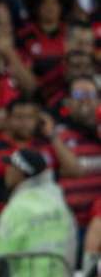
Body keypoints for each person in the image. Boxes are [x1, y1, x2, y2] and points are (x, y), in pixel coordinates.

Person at [0, 98, 81, 243]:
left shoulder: (47, 146)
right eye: (18, 117)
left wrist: (52, 134)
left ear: (38, 120)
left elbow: (74, 170)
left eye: (30, 117)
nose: (24, 122)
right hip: (5, 225)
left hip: (44, 224)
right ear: (8, 119)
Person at [0, 148, 76, 277]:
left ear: (21, 172)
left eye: (11, 166)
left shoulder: (17, 209)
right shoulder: (59, 204)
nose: (6, 170)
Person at [55, 77, 101, 233]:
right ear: (68, 103)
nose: (85, 101)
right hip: (68, 225)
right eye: (79, 96)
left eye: (90, 96)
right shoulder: (56, 136)